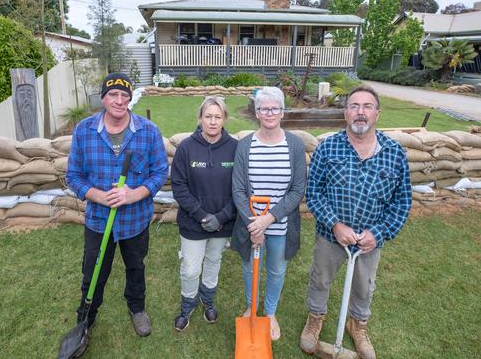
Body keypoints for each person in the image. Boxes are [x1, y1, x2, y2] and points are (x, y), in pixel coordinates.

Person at [300, 86, 412, 358]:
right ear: (345, 112)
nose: (360, 112)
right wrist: (335, 225)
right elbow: (314, 193)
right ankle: (315, 319)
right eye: (354, 106)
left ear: (377, 113)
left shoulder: (394, 153)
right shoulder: (328, 148)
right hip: (331, 236)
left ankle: (357, 325)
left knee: (364, 286)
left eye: (367, 106)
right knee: (320, 280)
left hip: (369, 242)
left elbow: (403, 202)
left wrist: (379, 233)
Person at [66, 73, 169, 341]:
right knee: (94, 272)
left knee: (136, 267)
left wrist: (134, 194)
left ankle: (137, 309)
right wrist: (99, 196)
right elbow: (73, 176)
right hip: (99, 221)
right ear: (103, 97)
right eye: (113, 94)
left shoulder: (148, 131)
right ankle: (85, 318)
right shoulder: (84, 131)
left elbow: (159, 172)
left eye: (125, 95)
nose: (120, 100)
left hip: (135, 220)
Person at [231, 86, 307, 341]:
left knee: (275, 270)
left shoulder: (294, 145)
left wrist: (269, 219)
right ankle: (251, 307)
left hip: (280, 225)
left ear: (282, 112)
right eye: (264, 108)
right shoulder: (245, 146)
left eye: (275, 108)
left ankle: (270, 312)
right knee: (250, 269)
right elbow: (238, 188)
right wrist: (254, 225)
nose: (269, 112)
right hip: (251, 224)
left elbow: (297, 190)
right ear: (257, 112)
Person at [170, 96, 238, 331]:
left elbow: (240, 189)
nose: (212, 121)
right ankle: (188, 303)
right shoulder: (186, 148)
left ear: (224, 119)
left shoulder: (234, 148)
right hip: (193, 222)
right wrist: (201, 215)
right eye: (208, 116)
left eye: (217, 117)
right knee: (190, 267)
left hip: (223, 222)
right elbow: (178, 186)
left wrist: (222, 216)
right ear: (200, 118)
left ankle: (207, 299)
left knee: (213, 262)